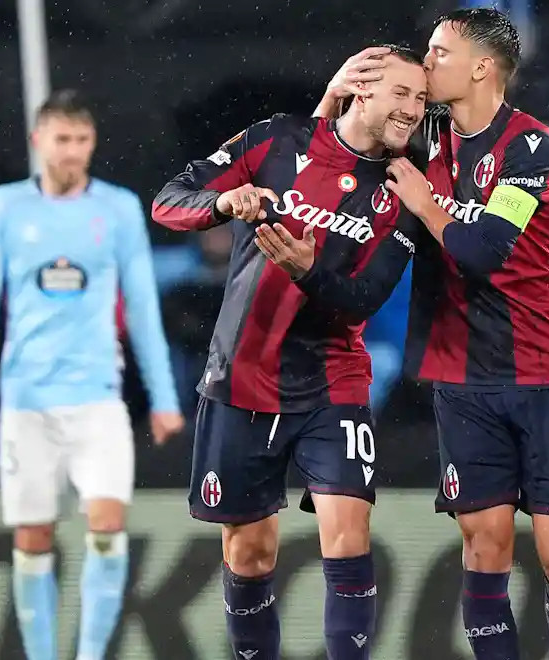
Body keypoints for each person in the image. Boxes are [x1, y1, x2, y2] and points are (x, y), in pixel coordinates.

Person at [316, 9, 549, 659]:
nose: (428, 62)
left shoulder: (531, 146)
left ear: (482, 66)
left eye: (440, 52)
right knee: (485, 546)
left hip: (545, 370)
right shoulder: (422, 141)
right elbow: (326, 155)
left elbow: (485, 249)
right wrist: (335, 96)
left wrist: (423, 203)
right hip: (461, 375)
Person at [151, 44, 428, 660]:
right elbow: (168, 201)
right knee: (249, 552)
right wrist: (222, 204)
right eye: (402, 94)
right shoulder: (276, 140)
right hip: (242, 375)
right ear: (361, 89)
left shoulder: (408, 184)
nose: (413, 110)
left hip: (334, 375)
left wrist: (308, 272)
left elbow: (364, 298)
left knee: (348, 532)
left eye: (422, 98)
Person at [0, 90, 185, 660]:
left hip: (99, 396)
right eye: (61, 139)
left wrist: (164, 398)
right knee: (33, 538)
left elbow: (143, 307)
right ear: (38, 141)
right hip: (27, 398)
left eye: (81, 140)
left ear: (92, 142)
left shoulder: (119, 209)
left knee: (106, 526)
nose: (71, 151)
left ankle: (92, 655)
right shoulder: (5, 208)